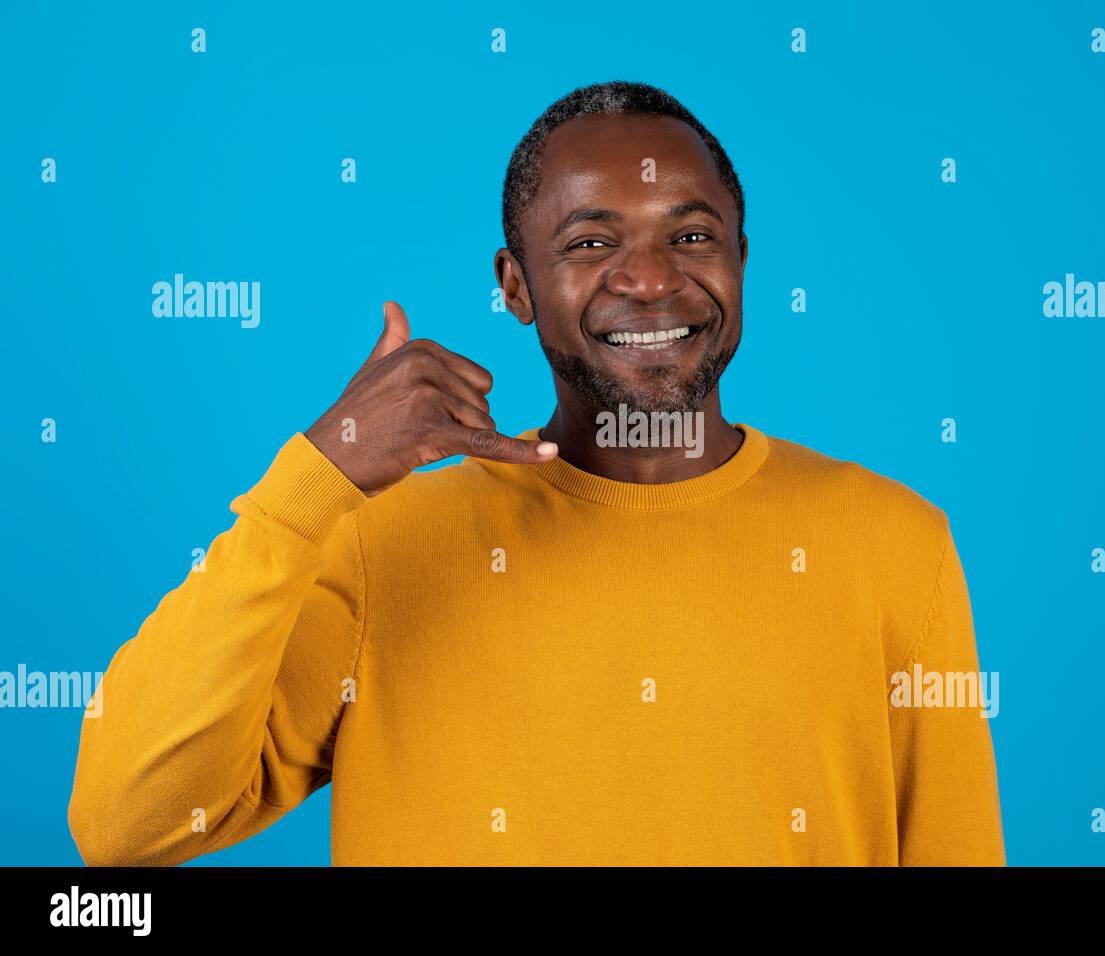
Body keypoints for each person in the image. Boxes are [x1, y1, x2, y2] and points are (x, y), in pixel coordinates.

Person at [68, 80, 1005, 866]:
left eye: (690, 236)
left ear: (740, 260)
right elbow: (126, 826)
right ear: (514, 285)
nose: (650, 280)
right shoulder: (378, 542)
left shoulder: (892, 542)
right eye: (591, 243)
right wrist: (312, 481)